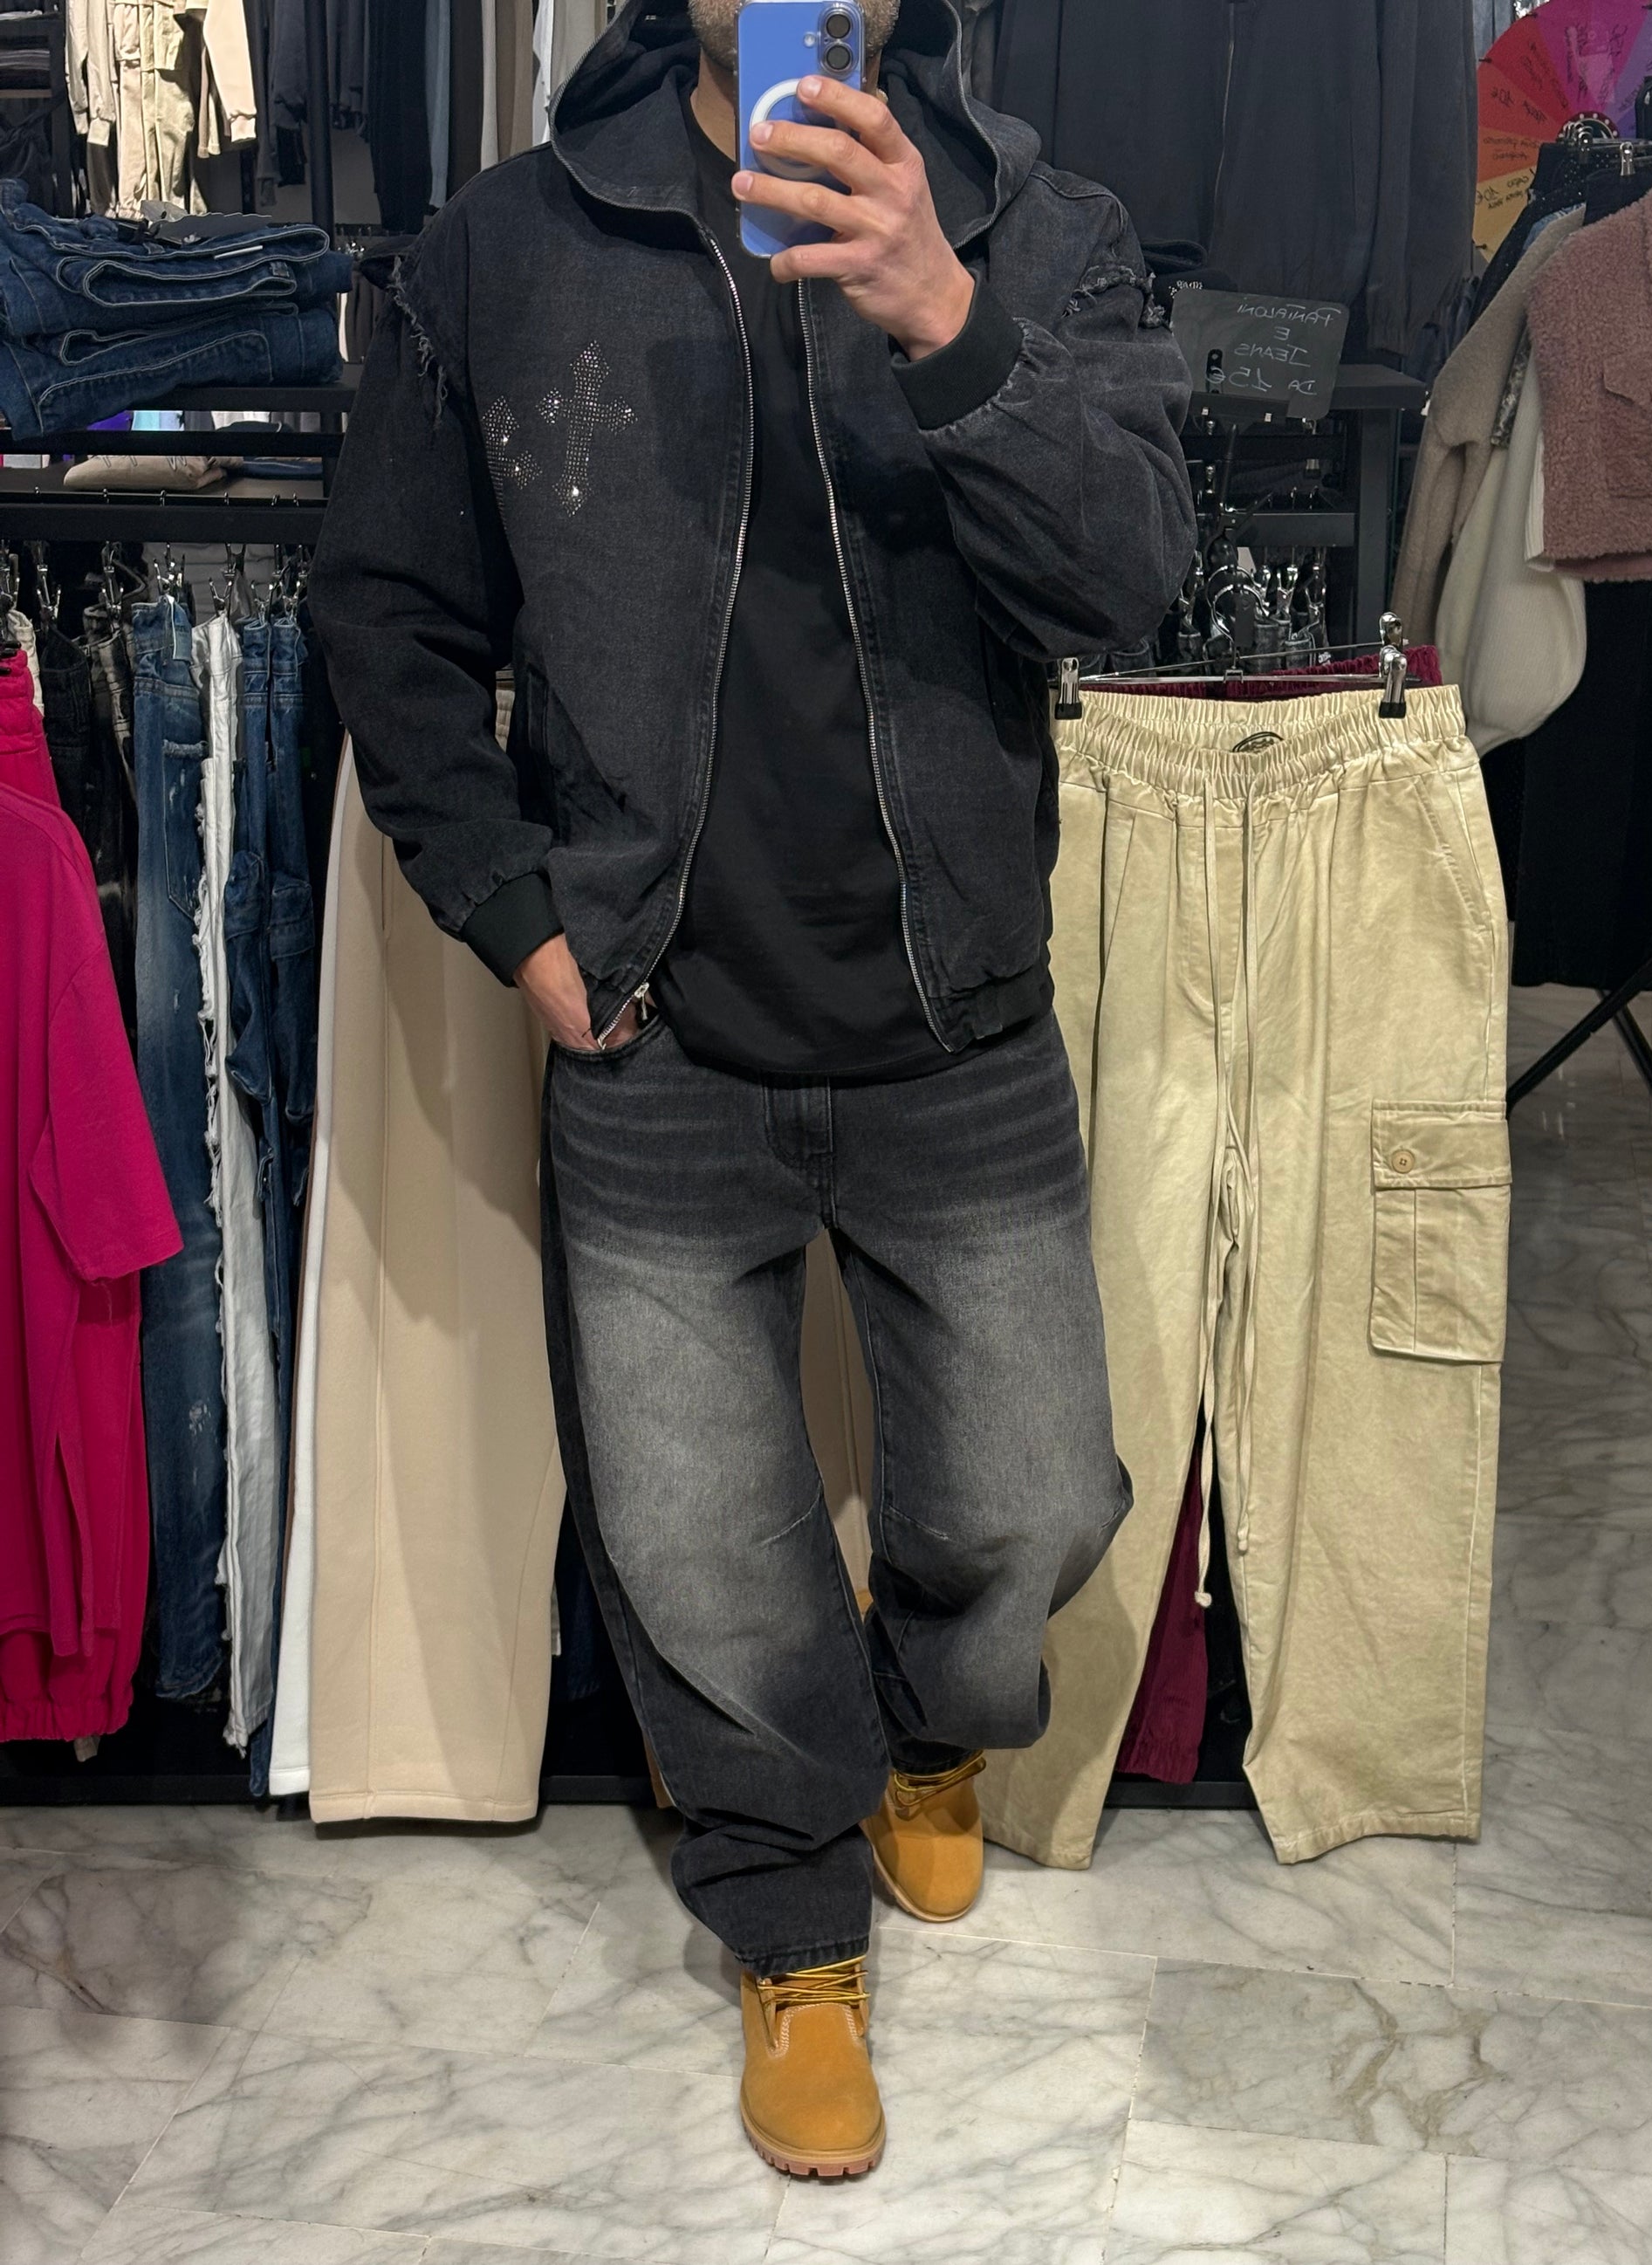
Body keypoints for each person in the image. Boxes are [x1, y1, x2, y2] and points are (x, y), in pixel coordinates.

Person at [312, 0, 1193, 2181]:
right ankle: (791, 1917)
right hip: (656, 1029)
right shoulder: (509, 248)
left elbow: (1129, 582)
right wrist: (517, 915)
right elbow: (387, 610)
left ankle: (929, 1728)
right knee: (700, 1547)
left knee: (1034, 1497)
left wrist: (948, 321)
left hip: (956, 1015)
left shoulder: (1042, 232)